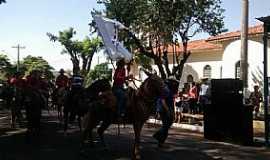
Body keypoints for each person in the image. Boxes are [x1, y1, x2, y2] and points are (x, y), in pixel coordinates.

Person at [153, 78, 179, 147]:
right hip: (164, 110)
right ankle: (160, 140)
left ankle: (158, 137)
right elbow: (163, 101)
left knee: (167, 125)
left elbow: (169, 98)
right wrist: (168, 110)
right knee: (166, 125)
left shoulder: (169, 90)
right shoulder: (165, 90)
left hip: (166, 109)